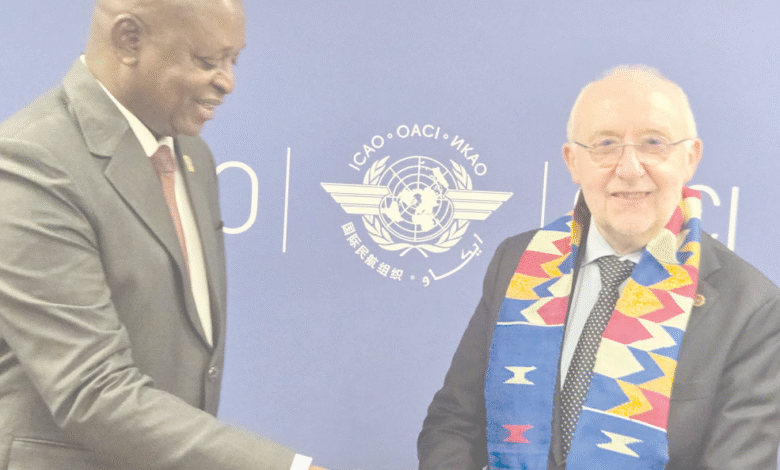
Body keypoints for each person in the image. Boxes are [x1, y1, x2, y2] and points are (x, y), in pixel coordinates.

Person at [0, 1, 329, 469]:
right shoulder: (32, 162)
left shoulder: (193, 158)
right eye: (207, 61)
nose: (227, 82)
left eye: (234, 60)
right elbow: (92, 390)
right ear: (129, 39)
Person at [417, 66, 780, 469]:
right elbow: (454, 423)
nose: (629, 168)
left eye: (653, 143)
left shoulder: (751, 308)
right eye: (605, 144)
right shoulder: (517, 262)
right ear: (573, 161)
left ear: (689, 158)